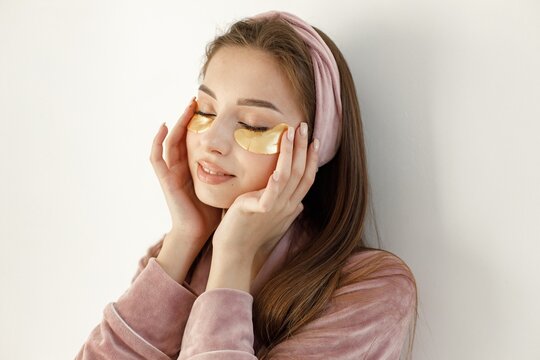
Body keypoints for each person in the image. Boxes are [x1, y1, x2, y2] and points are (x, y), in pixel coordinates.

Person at [76, 10, 417, 360]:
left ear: (313, 150)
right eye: (205, 111)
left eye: (253, 125)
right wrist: (183, 237)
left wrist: (233, 258)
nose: (212, 140)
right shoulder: (173, 261)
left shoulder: (370, 289)